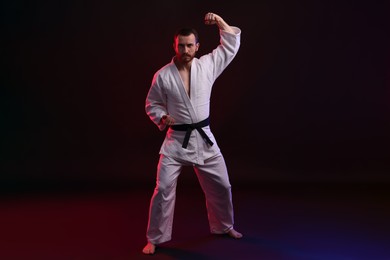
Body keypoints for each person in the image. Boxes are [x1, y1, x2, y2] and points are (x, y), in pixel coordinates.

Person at [142, 12, 242, 255]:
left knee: (222, 185)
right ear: (174, 46)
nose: (185, 49)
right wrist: (162, 117)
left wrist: (219, 21)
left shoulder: (207, 65)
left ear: (197, 47)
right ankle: (154, 238)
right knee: (163, 189)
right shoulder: (163, 75)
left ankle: (224, 225)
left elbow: (229, 47)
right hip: (175, 141)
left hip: (204, 138)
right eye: (181, 45)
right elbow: (151, 104)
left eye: (190, 45)